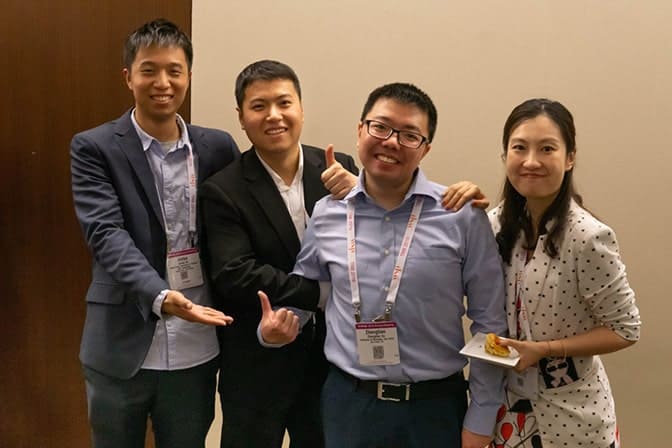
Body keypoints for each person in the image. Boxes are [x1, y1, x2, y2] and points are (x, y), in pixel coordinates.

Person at [258, 82, 508, 448]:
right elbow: (303, 293)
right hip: (349, 404)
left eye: (410, 135)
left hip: (435, 408)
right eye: (381, 127)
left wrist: (483, 416)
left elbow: (490, 323)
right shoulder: (328, 214)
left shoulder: (461, 217)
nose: (391, 142)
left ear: (425, 149)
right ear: (361, 131)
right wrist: (274, 329)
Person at [70, 19, 239, 448]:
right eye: (149, 70)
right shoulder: (95, 147)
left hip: (197, 349)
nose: (162, 82)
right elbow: (105, 232)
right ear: (128, 77)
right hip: (121, 343)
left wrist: (351, 189)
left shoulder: (217, 147)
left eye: (174, 70)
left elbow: (252, 210)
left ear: (188, 76)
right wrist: (163, 297)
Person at [447, 98, 642, 447]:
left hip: (573, 416)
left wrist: (546, 349)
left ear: (570, 158)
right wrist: (464, 212)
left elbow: (626, 330)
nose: (531, 161)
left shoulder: (589, 237)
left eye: (547, 148)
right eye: (519, 147)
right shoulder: (492, 225)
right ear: (505, 154)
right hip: (506, 414)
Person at [199, 60, 358, 448]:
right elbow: (235, 272)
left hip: (332, 363)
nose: (274, 116)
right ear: (241, 117)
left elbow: (376, 249)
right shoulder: (223, 189)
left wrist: (362, 195)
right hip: (257, 362)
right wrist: (318, 294)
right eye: (258, 106)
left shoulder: (341, 171)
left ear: (301, 108)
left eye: (284, 103)